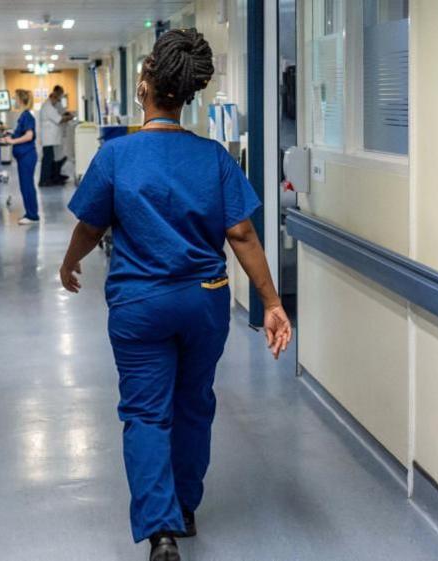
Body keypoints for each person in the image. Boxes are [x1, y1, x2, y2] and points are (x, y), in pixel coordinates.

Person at [59, 29, 293, 561]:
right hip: (203, 301)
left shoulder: (117, 155)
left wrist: (70, 262)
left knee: (145, 413)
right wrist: (273, 302)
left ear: (145, 87)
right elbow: (243, 235)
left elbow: (90, 227)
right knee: (194, 404)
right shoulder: (212, 157)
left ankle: (160, 530)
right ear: (186, 95)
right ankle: (185, 507)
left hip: (140, 305)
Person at [0, 89, 39, 225]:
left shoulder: (27, 115)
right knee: (25, 185)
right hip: (24, 156)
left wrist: (12, 141)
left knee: (27, 186)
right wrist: (12, 133)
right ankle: (30, 213)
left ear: (20, 100)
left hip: (27, 156)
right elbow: (22, 132)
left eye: (15, 98)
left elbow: (29, 136)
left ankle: (32, 215)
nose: (13, 101)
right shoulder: (24, 115)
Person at [38, 85, 73, 187]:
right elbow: (59, 119)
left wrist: (67, 114)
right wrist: (69, 117)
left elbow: (61, 112)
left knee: (51, 158)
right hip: (49, 138)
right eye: (58, 98)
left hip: (52, 138)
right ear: (54, 96)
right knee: (47, 159)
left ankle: (51, 177)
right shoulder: (47, 106)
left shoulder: (53, 105)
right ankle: (44, 180)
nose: (58, 101)